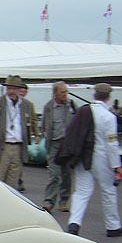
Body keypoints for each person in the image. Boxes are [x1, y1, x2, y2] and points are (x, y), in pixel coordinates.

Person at [61, 84, 122, 237]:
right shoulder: (109, 117)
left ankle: (74, 223)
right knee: (108, 190)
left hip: (83, 156)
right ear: (108, 97)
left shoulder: (83, 111)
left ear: (94, 95)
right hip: (101, 157)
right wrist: (116, 165)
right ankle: (113, 226)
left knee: (82, 191)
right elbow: (112, 143)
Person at [0, 75, 39, 189]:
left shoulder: (26, 105)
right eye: (9, 88)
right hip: (2, 146)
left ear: (19, 89)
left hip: (18, 147)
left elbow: (31, 122)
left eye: (14, 88)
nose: (11, 91)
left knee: (13, 183)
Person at [41, 81, 75, 212]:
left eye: (66, 92)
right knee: (54, 174)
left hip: (67, 145)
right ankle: (48, 201)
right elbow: (44, 125)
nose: (65, 94)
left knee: (67, 174)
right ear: (55, 93)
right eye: (62, 92)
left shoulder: (71, 105)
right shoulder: (48, 107)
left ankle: (64, 200)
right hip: (54, 144)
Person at [16, 84, 40, 192]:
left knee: (21, 159)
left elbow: (34, 120)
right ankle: (16, 180)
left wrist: (37, 134)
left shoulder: (29, 105)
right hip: (13, 137)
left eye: (23, 92)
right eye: (20, 91)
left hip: (24, 137)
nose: (21, 93)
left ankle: (19, 180)